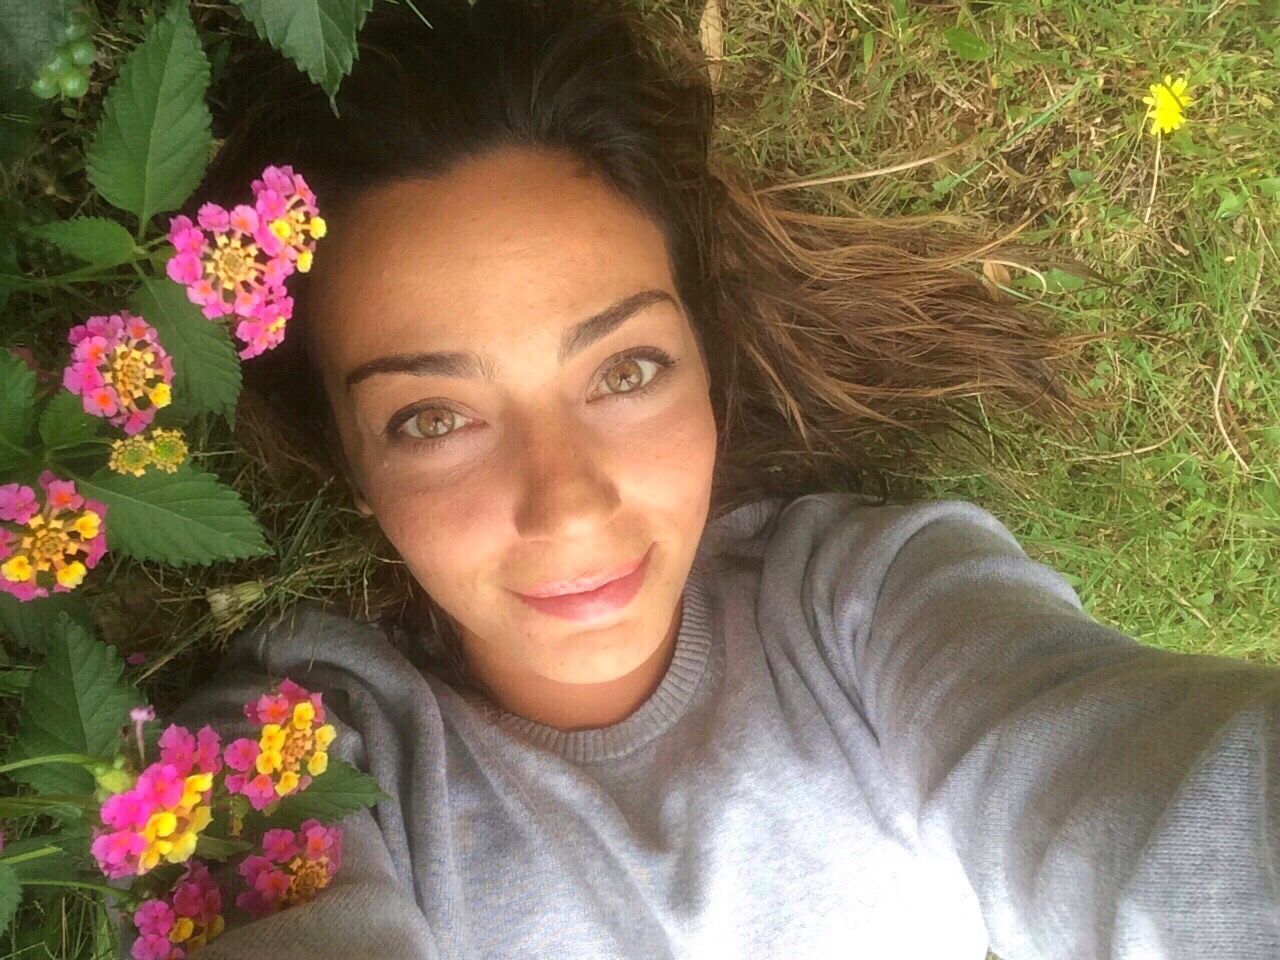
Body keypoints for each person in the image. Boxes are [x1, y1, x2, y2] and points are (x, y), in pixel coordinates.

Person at [155, 1, 1278, 957]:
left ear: (703, 367)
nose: (569, 502)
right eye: (433, 417)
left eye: (623, 369)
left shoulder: (865, 607)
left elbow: (1172, 819)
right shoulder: (292, 754)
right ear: (351, 464)